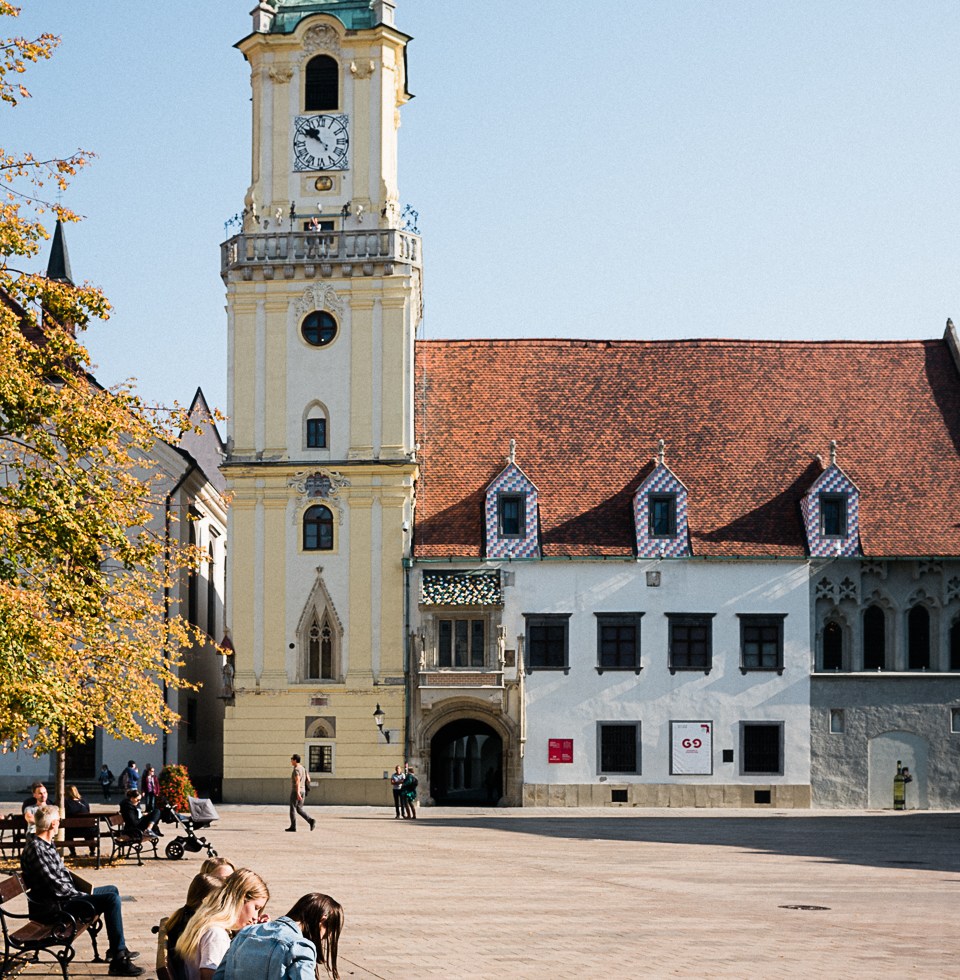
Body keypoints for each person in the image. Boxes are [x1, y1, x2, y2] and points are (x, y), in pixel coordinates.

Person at [20, 804, 143, 976]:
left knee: (112, 890)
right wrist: (84, 895)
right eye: (59, 820)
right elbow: (56, 886)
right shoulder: (37, 848)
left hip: (63, 898)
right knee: (111, 899)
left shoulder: (45, 844)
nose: (60, 823)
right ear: (53, 824)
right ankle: (118, 958)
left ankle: (116, 949)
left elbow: (61, 878)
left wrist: (83, 889)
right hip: (57, 906)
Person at [211, 892, 344, 980]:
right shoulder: (299, 946)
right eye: (326, 934)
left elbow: (219, 976)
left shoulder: (246, 933)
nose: (323, 939)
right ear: (322, 920)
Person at [175, 868, 270, 980]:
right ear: (240, 899)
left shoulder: (209, 922)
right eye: (256, 908)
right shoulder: (216, 934)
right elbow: (209, 976)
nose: (256, 916)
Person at [164, 873, 227, 978]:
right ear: (208, 901)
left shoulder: (183, 921)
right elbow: (209, 975)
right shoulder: (213, 933)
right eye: (223, 900)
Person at [64, 784, 96, 856]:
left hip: (72, 831)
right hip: (87, 830)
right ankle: (92, 851)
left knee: (67, 833)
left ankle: (73, 852)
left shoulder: (66, 803)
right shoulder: (84, 802)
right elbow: (88, 811)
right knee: (89, 830)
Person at [286, 754, 315, 832]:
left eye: (292, 759)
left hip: (296, 791)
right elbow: (309, 780)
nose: (291, 761)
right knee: (299, 809)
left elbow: (297, 781)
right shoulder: (303, 768)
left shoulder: (296, 769)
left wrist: (298, 792)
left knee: (293, 808)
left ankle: (293, 826)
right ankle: (310, 820)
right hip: (303, 790)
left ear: (295, 760)